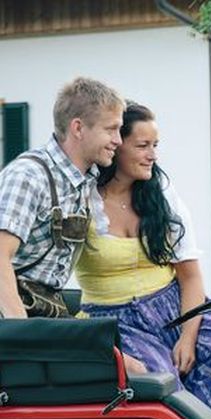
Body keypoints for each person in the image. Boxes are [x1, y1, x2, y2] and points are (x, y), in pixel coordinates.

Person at [74, 101, 211, 419]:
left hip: (174, 307)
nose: (153, 155)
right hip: (115, 320)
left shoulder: (160, 193)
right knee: (161, 384)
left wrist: (188, 337)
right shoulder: (83, 200)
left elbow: (190, 276)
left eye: (155, 146)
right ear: (117, 148)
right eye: (143, 146)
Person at [0, 77, 124, 319]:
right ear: (78, 128)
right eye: (110, 129)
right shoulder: (28, 175)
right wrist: (21, 332)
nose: (118, 140)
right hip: (11, 315)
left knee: (119, 355)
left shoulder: (87, 180)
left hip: (47, 307)